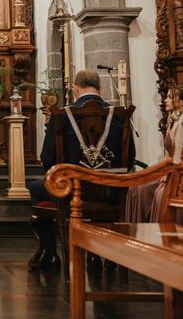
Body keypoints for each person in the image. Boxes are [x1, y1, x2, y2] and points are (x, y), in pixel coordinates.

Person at [29, 69, 136, 206]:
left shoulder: (61, 115)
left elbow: (47, 158)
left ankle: (62, 226)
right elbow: (130, 157)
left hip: (70, 192)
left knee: (35, 188)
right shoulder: (120, 115)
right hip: (112, 191)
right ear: (100, 90)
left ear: (76, 89)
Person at [125, 86, 183, 222]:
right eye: (167, 96)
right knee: (136, 187)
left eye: (170, 97)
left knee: (159, 193)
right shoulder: (171, 121)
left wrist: (168, 174)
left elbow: (178, 156)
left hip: (177, 173)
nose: (166, 100)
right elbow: (167, 156)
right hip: (169, 169)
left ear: (181, 102)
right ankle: (137, 231)